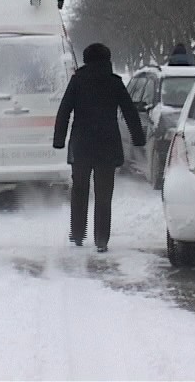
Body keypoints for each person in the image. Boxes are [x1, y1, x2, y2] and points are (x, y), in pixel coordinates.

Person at [53, 42, 145, 253]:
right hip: (107, 145)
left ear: (86, 59)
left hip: (82, 145)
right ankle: (101, 240)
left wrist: (59, 140)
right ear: (107, 60)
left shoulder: (77, 81)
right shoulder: (114, 82)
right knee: (104, 194)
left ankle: (77, 235)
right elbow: (130, 111)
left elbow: (64, 110)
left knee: (79, 190)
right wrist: (138, 138)